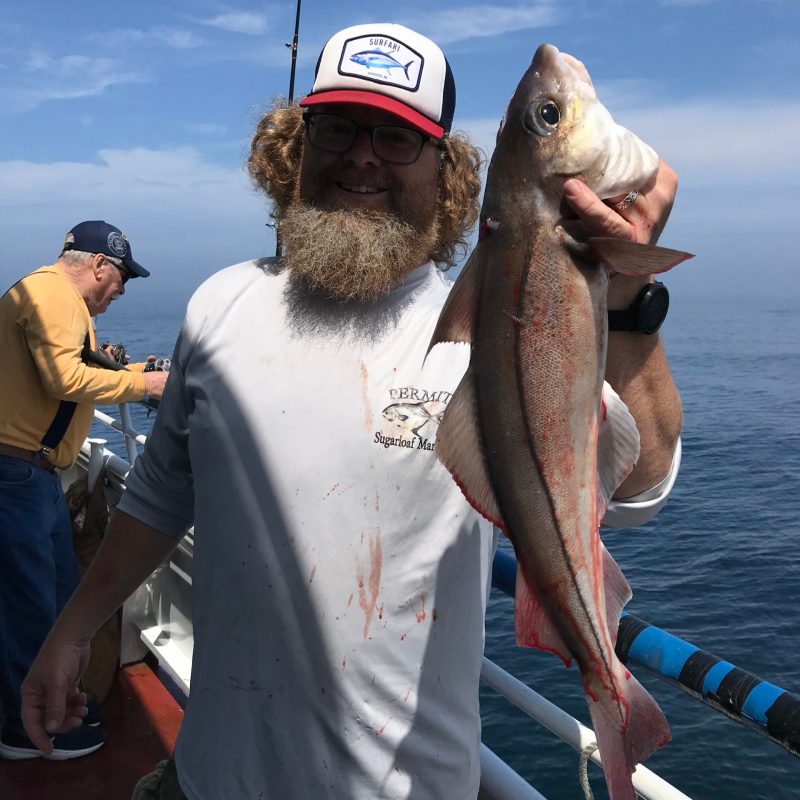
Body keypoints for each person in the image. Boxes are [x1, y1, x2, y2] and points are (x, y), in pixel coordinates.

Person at [21, 24, 683, 798]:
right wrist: (76, 624)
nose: (362, 155)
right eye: (337, 128)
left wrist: (630, 301)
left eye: (398, 137)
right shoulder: (217, 307)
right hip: (209, 779)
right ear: (297, 149)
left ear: (447, 169)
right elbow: (163, 492)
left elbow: (637, 489)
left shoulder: (491, 334)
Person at [0, 220, 168, 760]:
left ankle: (49, 706)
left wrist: (141, 370)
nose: (120, 292)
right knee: (29, 602)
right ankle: (24, 728)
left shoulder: (57, 302)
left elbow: (78, 369)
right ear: (99, 265)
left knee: (53, 595)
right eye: (121, 279)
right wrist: (144, 384)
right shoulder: (54, 294)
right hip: (15, 474)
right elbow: (65, 380)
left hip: (33, 474)